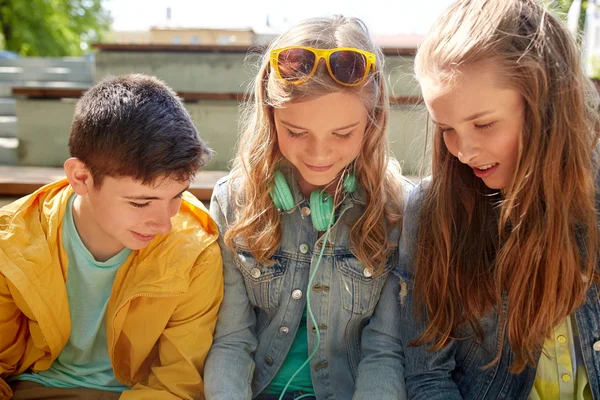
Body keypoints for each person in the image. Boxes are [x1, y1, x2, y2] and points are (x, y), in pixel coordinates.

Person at [398, 0, 600, 398]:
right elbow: (427, 376)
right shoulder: (431, 212)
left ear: (547, 103)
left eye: (484, 124)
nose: (463, 151)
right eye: (446, 129)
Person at [204, 15, 412, 400]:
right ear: (270, 116)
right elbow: (231, 342)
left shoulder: (397, 209)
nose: (319, 154)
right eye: (296, 132)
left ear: (372, 122)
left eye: (343, 133)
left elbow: (383, 353)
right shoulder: (234, 200)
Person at [0, 74, 224, 400]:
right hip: (32, 387)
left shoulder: (194, 250)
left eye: (177, 196)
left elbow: (178, 384)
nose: (164, 223)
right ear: (81, 178)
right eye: (139, 202)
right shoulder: (11, 242)